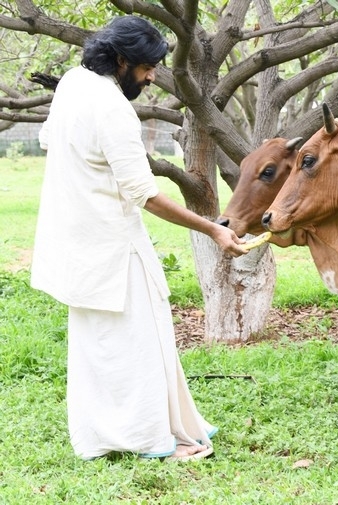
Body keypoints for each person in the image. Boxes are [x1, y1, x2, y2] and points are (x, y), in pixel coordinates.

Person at [30, 16, 247, 462]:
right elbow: (145, 193)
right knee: (138, 344)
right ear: (123, 60)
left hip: (78, 243)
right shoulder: (113, 109)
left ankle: (105, 436)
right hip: (114, 247)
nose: (152, 78)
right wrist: (212, 229)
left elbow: (49, 139)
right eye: (148, 68)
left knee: (98, 347)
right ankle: (151, 439)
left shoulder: (72, 83)